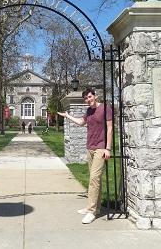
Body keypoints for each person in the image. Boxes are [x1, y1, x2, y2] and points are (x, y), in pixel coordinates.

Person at [57, 87, 113, 224]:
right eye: (86, 99)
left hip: (101, 148)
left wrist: (108, 148)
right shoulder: (89, 111)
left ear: (95, 95)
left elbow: (110, 128)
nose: (88, 100)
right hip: (90, 148)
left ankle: (91, 211)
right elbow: (81, 122)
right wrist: (67, 116)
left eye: (89, 97)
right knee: (95, 179)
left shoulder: (106, 108)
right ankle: (97, 207)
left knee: (94, 179)